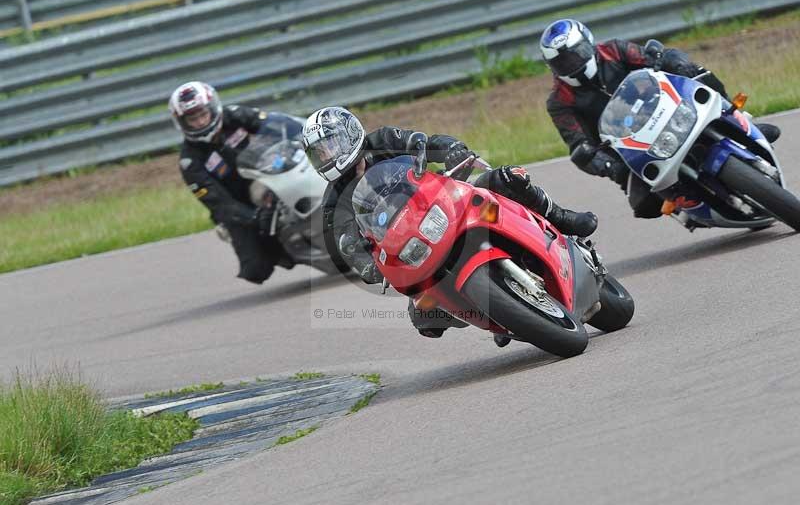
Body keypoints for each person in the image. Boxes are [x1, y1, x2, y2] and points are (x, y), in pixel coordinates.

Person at [302, 106, 598, 338]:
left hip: (441, 206)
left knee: (506, 179)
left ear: (350, 133)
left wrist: (450, 149)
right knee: (424, 317)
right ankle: (501, 314)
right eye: (319, 152)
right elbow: (347, 245)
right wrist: (366, 264)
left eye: (331, 144)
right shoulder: (333, 204)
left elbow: (424, 142)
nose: (328, 155)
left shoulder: (380, 141)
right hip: (411, 248)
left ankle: (562, 218)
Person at [540, 18, 781, 218]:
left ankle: (737, 121)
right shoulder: (559, 102)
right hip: (629, 149)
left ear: (589, 44)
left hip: (667, 110)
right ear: (552, 66)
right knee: (644, 205)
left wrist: (676, 62)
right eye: (562, 61)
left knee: (698, 73)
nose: (572, 63)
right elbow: (577, 143)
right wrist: (609, 167)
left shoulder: (613, 50)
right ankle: (691, 205)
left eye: (575, 53)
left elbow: (652, 57)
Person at [169, 81, 301, 284]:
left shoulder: (235, 115)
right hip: (240, 203)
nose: (200, 121)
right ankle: (285, 248)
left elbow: (275, 123)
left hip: (271, 169)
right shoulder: (190, 162)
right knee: (256, 269)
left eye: (203, 114)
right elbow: (219, 203)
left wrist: (302, 133)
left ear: (213, 108)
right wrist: (255, 217)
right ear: (182, 123)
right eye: (192, 119)